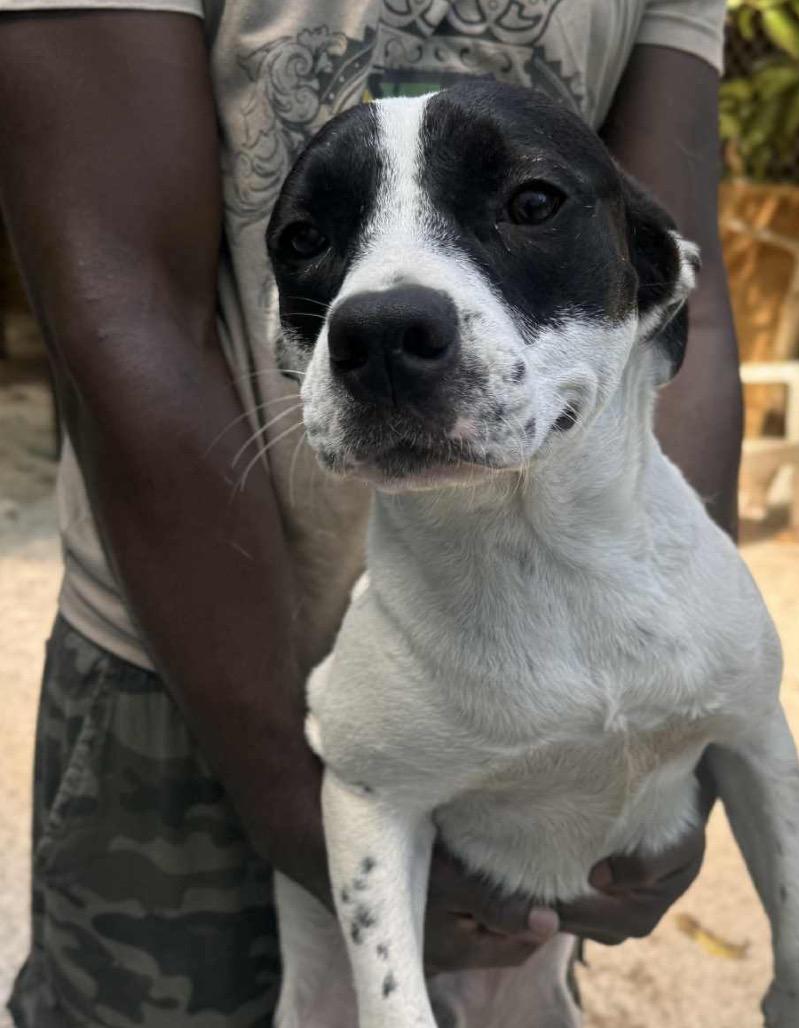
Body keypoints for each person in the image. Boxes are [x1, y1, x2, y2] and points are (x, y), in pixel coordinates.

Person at [0, 2, 741, 1025]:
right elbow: (120, 297)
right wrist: (306, 812)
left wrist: (679, 716)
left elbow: (673, 295)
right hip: (188, 666)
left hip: (528, 674)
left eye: (523, 202)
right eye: (311, 238)